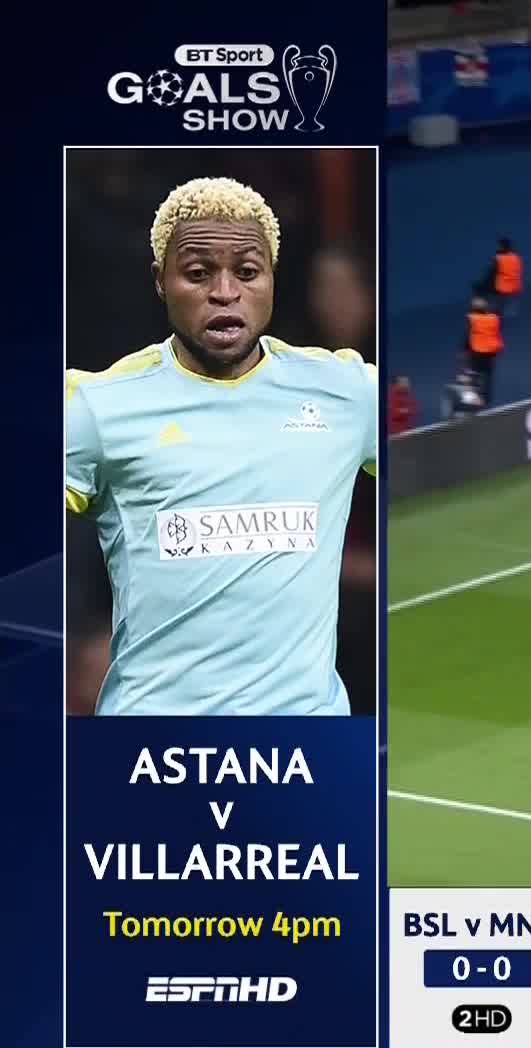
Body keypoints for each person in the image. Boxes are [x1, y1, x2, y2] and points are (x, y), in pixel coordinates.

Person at [63, 176, 377, 715]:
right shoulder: (99, 405)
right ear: (160, 281)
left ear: (272, 278)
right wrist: (81, 631)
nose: (225, 292)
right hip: (155, 743)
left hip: (304, 744)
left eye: (247, 272)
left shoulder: (346, 393)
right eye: (198, 273)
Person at [465, 294, 502, 403]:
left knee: (474, 375)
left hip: (476, 353)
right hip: (489, 353)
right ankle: (486, 398)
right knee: (487, 376)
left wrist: (465, 350)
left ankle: (474, 398)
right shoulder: (494, 319)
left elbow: (467, 337)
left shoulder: (472, 320)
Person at [489, 235, 521, 316]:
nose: (497, 248)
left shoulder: (500, 258)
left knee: (494, 311)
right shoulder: (515, 258)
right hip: (513, 291)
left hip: (502, 291)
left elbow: (492, 273)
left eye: (499, 246)